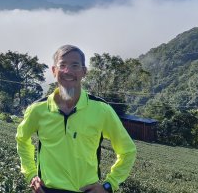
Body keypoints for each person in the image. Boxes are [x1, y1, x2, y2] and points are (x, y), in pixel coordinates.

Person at [16, 45, 137, 193]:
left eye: (75, 65)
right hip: (48, 190)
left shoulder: (102, 110)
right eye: (62, 65)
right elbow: (22, 139)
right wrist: (31, 174)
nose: (68, 71)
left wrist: (109, 185)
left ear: (84, 72)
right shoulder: (38, 109)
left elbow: (128, 151)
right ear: (54, 71)